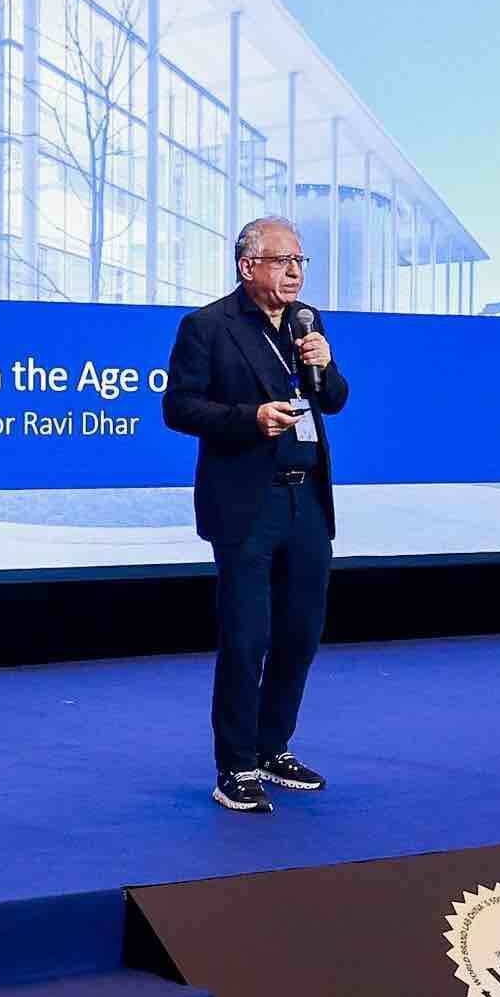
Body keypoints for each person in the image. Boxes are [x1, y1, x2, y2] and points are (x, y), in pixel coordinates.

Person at [163, 217, 350, 814]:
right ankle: (236, 765)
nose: (295, 272)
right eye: (282, 260)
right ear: (248, 267)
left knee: (301, 634)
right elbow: (179, 407)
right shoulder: (207, 326)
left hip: (307, 500)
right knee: (247, 639)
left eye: (300, 261)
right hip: (247, 502)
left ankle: (273, 748)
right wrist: (250, 419)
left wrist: (325, 363)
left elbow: (333, 400)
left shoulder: (307, 322)